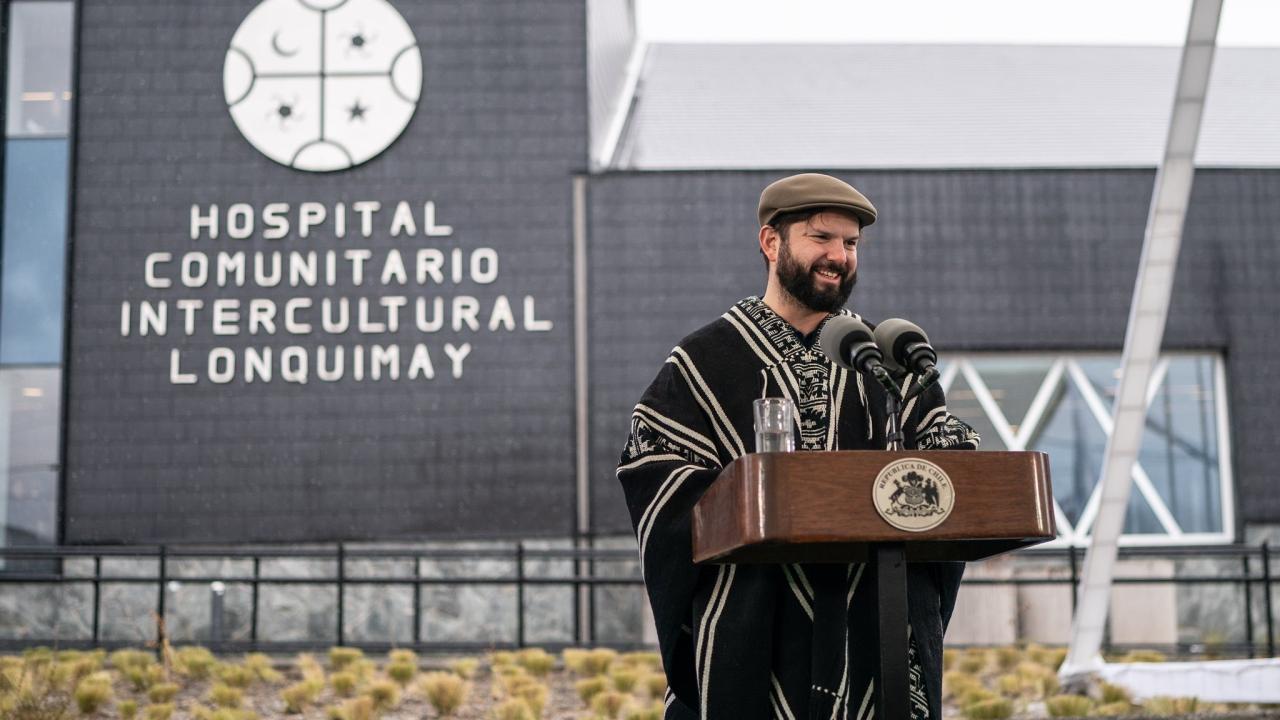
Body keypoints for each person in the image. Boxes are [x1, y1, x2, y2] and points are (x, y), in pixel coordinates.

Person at [617, 173, 980, 719]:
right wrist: (756, 498)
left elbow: (952, 479)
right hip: (756, 636)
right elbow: (654, 473)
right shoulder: (705, 362)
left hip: (874, 637)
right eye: (821, 238)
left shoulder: (890, 361)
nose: (839, 255)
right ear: (771, 243)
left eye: (851, 243)